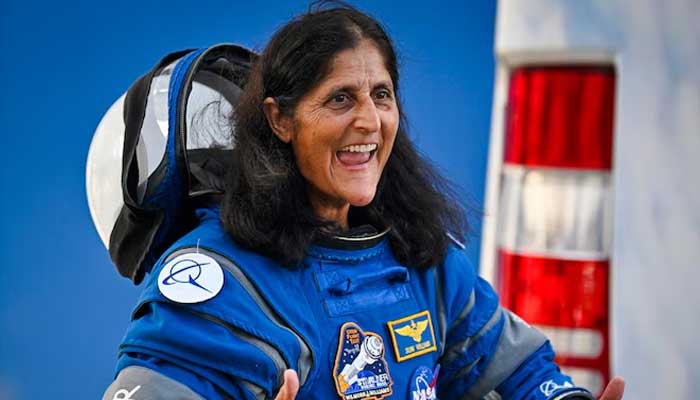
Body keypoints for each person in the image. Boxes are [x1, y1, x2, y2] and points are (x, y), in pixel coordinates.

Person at [101, 3, 625, 400]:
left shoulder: (422, 258)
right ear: (281, 120)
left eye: (381, 95)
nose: (370, 122)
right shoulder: (221, 285)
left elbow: (521, 371)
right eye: (339, 98)